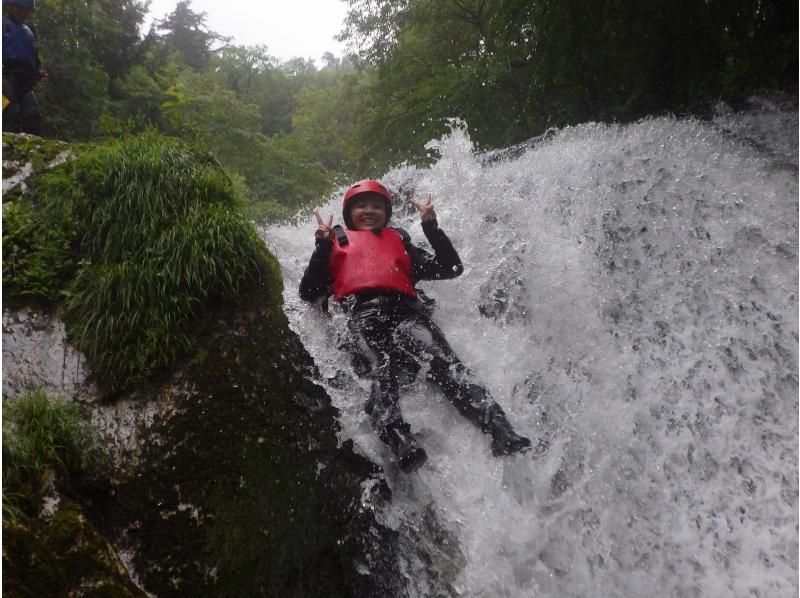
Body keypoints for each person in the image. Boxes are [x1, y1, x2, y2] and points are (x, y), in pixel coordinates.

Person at [299, 179, 532, 473]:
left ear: (387, 213)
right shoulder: (333, 244)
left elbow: (451, 268)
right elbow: (309, 292)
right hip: (361, 316)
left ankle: (501, 430)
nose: (369, 211)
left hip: (409, 314)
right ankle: (399, 440)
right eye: (361, 205)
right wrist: (321, 247)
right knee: (379, 374)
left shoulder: (400, 242)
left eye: (376, 206)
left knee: (449, 366)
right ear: (348, 214)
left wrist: (431, 228)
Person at [3, 0, 46, 135]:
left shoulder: (29, 32)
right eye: (19, 8)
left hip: (24, 82)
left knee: (32, 115)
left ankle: (29, 152)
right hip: (3, 78)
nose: (23, 13)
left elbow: (33, 56)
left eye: (26, 10)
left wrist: (38, 72)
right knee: (9, 110)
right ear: (9, 7)